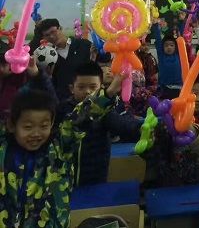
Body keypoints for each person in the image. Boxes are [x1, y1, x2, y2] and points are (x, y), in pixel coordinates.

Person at [0, 72, 126, 227]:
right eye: (28, 127)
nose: (36, 133)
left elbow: (81, 118)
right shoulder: (3, 151)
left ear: (52, 123)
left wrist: (109, 92)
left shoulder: (59, 149)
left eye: (44, 126)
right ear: (12, 125)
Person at [56, 61, 142, 185]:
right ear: (71, 89)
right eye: (81, 87)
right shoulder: (62, 109)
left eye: (93, 87)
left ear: (101, 87)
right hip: (65, 179)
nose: (87, 91)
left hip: (96, 177)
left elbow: (121, 123)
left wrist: (139, 128)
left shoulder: (104, 112)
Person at [39, 18, 111, 100]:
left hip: (90, 98)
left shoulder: (83, 44)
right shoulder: (48, 57)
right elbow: (52, 83)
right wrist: (49, 75)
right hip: (65, 101)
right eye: (47, 35)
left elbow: (106, 58)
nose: (51, 36)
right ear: (43, 37)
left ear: (60, 28)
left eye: (53, 32)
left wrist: (101, 47)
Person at [0, 52, 56, 123]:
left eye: (4, 65)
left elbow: (51, 99)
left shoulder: (27, 82)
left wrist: (36, 74)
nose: (1, 69)